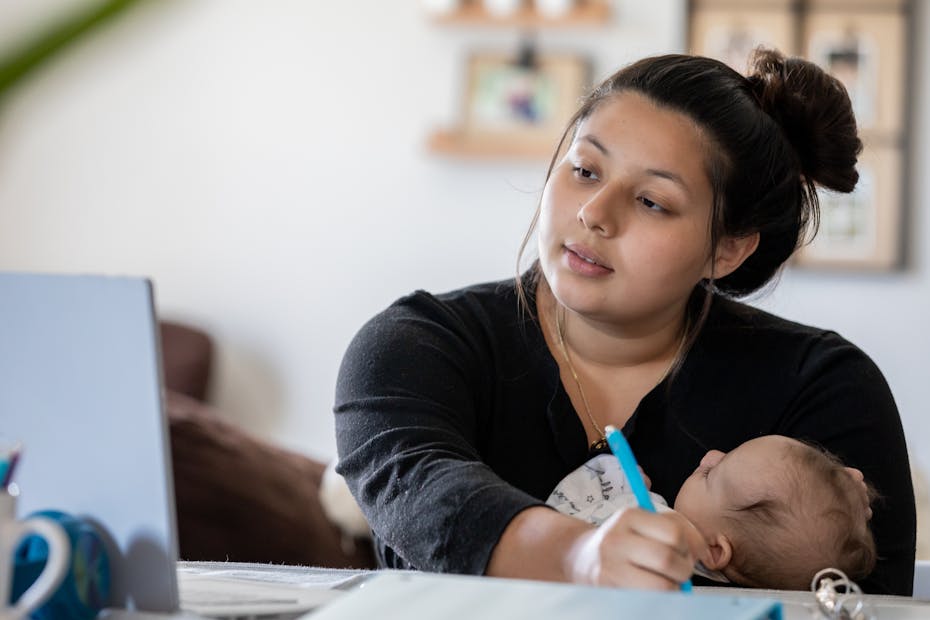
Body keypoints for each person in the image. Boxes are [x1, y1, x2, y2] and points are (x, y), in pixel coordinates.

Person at [333, 48, 916, 594]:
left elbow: (863, 603)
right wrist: (579, 558)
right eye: (585, 170)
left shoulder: (824, 389)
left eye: (652, 202)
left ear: (728, 250)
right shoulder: (415, 346)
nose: (594, 213)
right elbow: (427, 495)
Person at [547, 435, 877, 590]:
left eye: (711, 474)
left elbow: (561, 512)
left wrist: (614, 476)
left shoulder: (651, 526)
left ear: (715, 549)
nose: (710, 455)